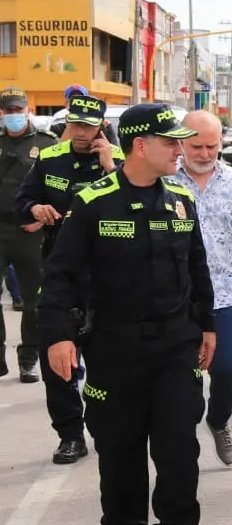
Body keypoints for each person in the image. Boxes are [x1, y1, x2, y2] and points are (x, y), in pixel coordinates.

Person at [39, 102, 214, 525]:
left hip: (176, 347)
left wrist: (208, 326)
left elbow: (197, 268)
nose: (181, 150)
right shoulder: (94, 201)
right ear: (140, 145)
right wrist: (57, 336)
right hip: (114, 350)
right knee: (120, 450)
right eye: (171, 142)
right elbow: (61, 276)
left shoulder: (181, 200)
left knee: (179, 449)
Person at [16, 93, 122, 464]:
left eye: (88, 126)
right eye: (75, 124)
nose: (80, 132)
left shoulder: (122, 163)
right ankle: (70, 435)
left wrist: (110, 166)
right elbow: (22, 201)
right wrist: (35, 207)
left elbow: (129, 205)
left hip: (107, 277)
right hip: (60, 272)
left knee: (108, 362)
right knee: (56, 361)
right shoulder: (49, 159)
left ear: (101, 128)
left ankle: (105, 426)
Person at [173, 111, 232, 468]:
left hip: (225, 293)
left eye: (211, 146)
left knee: (228, 368)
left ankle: (219, 421)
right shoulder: (166, 180)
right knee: (183, 375)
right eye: (196, 146)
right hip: (178, 298)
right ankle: (183, 440)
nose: (203, 154)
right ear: (181, 143)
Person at [0, 86, 58, 383]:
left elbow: (57, 188)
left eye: (18, 109)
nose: (13, 115)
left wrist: (43, 221)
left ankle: (28, 359)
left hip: (31, 231)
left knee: (35, 301)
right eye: (8, 110)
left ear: (27, 110)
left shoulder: (47, 145)